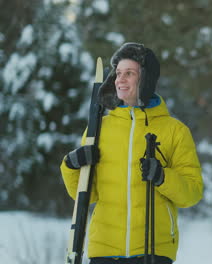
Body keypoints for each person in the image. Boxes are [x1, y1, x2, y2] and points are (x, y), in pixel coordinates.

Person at [61, 42, 203, 264]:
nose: (120, 79)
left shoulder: (175, 131)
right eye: (118, 73)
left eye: (129, 73)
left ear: (145, 79)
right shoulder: (97, 128)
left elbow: (192, 193)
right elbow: (87, 195)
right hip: (104, 250)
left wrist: (162, 177)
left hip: (153, 249)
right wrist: (70, 166)